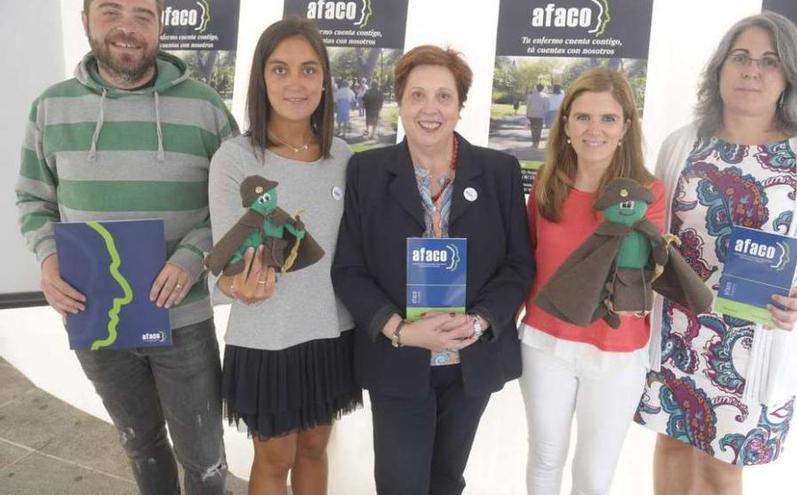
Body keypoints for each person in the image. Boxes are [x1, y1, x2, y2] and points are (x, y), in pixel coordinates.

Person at [14, 0, 238, 493]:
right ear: (86, 22)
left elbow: (236, 206)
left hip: (183, 318)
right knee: (141, 444)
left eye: (143, 15)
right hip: (97, 318)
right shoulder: (50, 107)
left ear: (160, 26)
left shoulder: (205, 107)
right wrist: (49, 261)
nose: (127, 29)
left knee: (204, 459)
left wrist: (192, 256)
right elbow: (33, 199)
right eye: (111, 11)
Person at [636, 12, 797, 495]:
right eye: (742, 57)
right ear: (720, 69)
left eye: (769, 61)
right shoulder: (682, 144)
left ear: (789, 75)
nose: (753, 70)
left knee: (721, 467)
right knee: (671, 446)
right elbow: (652, 233)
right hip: (676, 332)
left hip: (754, 342)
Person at [331, 45, 535, 494]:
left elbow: (518, 264)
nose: (430, 109)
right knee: (401, 484)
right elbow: (349, 269)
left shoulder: (499, 171)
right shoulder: (366, 171)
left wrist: (479, 321)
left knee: (446, 481)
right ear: (399, 102)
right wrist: (401, 330)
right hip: (398, 356)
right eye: (417, 95)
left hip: (470, 359)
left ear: (460, 106)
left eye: (444, 96)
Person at [207, 17, 362, 494]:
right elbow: (225, 263)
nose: (296, 82)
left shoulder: (345, 157)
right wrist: (237, 285)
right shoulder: (236, 159)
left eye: (309, 70)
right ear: (261, 78)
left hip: (334, 331)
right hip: (268, 337)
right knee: (275, 460)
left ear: (324, 81)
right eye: (280, 69)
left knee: (315, 449)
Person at [519, 68, 664, 495]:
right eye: (582, 117)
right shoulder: (547, 184)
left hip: (615, 353)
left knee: (594, 473)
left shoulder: (647, 193)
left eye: (607, 119)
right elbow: (526, 258)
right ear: (564, 124)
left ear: (625, 127)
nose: (593, 129)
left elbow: (638, 272)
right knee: (545, 456)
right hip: (546, 344)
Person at [527, 83, 550, 148]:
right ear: (543, 88)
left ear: (536, 88)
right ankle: (537, 142)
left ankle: (534, 141)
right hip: (540, 115)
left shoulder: (531, 96)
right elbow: (547, 107)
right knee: (539, 129)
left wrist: (527, 114)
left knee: (533, 128)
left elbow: (528, 105)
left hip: (532, 114)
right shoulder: (545, 96)